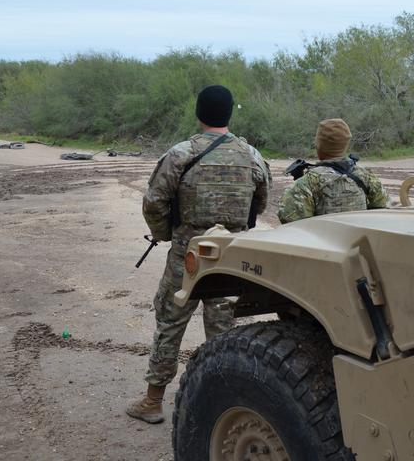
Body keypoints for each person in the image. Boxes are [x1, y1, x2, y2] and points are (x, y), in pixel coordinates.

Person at [126, 84, 271, 424]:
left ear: (199, 113)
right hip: (232, 255)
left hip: (187, 255)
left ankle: (152, 401)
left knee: (170, 322)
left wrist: (165, 234)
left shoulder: (180, 154)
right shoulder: (251, 156)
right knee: (225, 329)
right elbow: (261, 201)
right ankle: (224, 405)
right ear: (229, 114)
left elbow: (154, 201)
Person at [278, 118, 387, 223]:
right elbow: (381, 212)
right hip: (359, 240)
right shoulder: (367, 177)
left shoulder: (306, 183)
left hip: (321, 241)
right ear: (346, 144)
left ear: (319, 145)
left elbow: (291, 222)